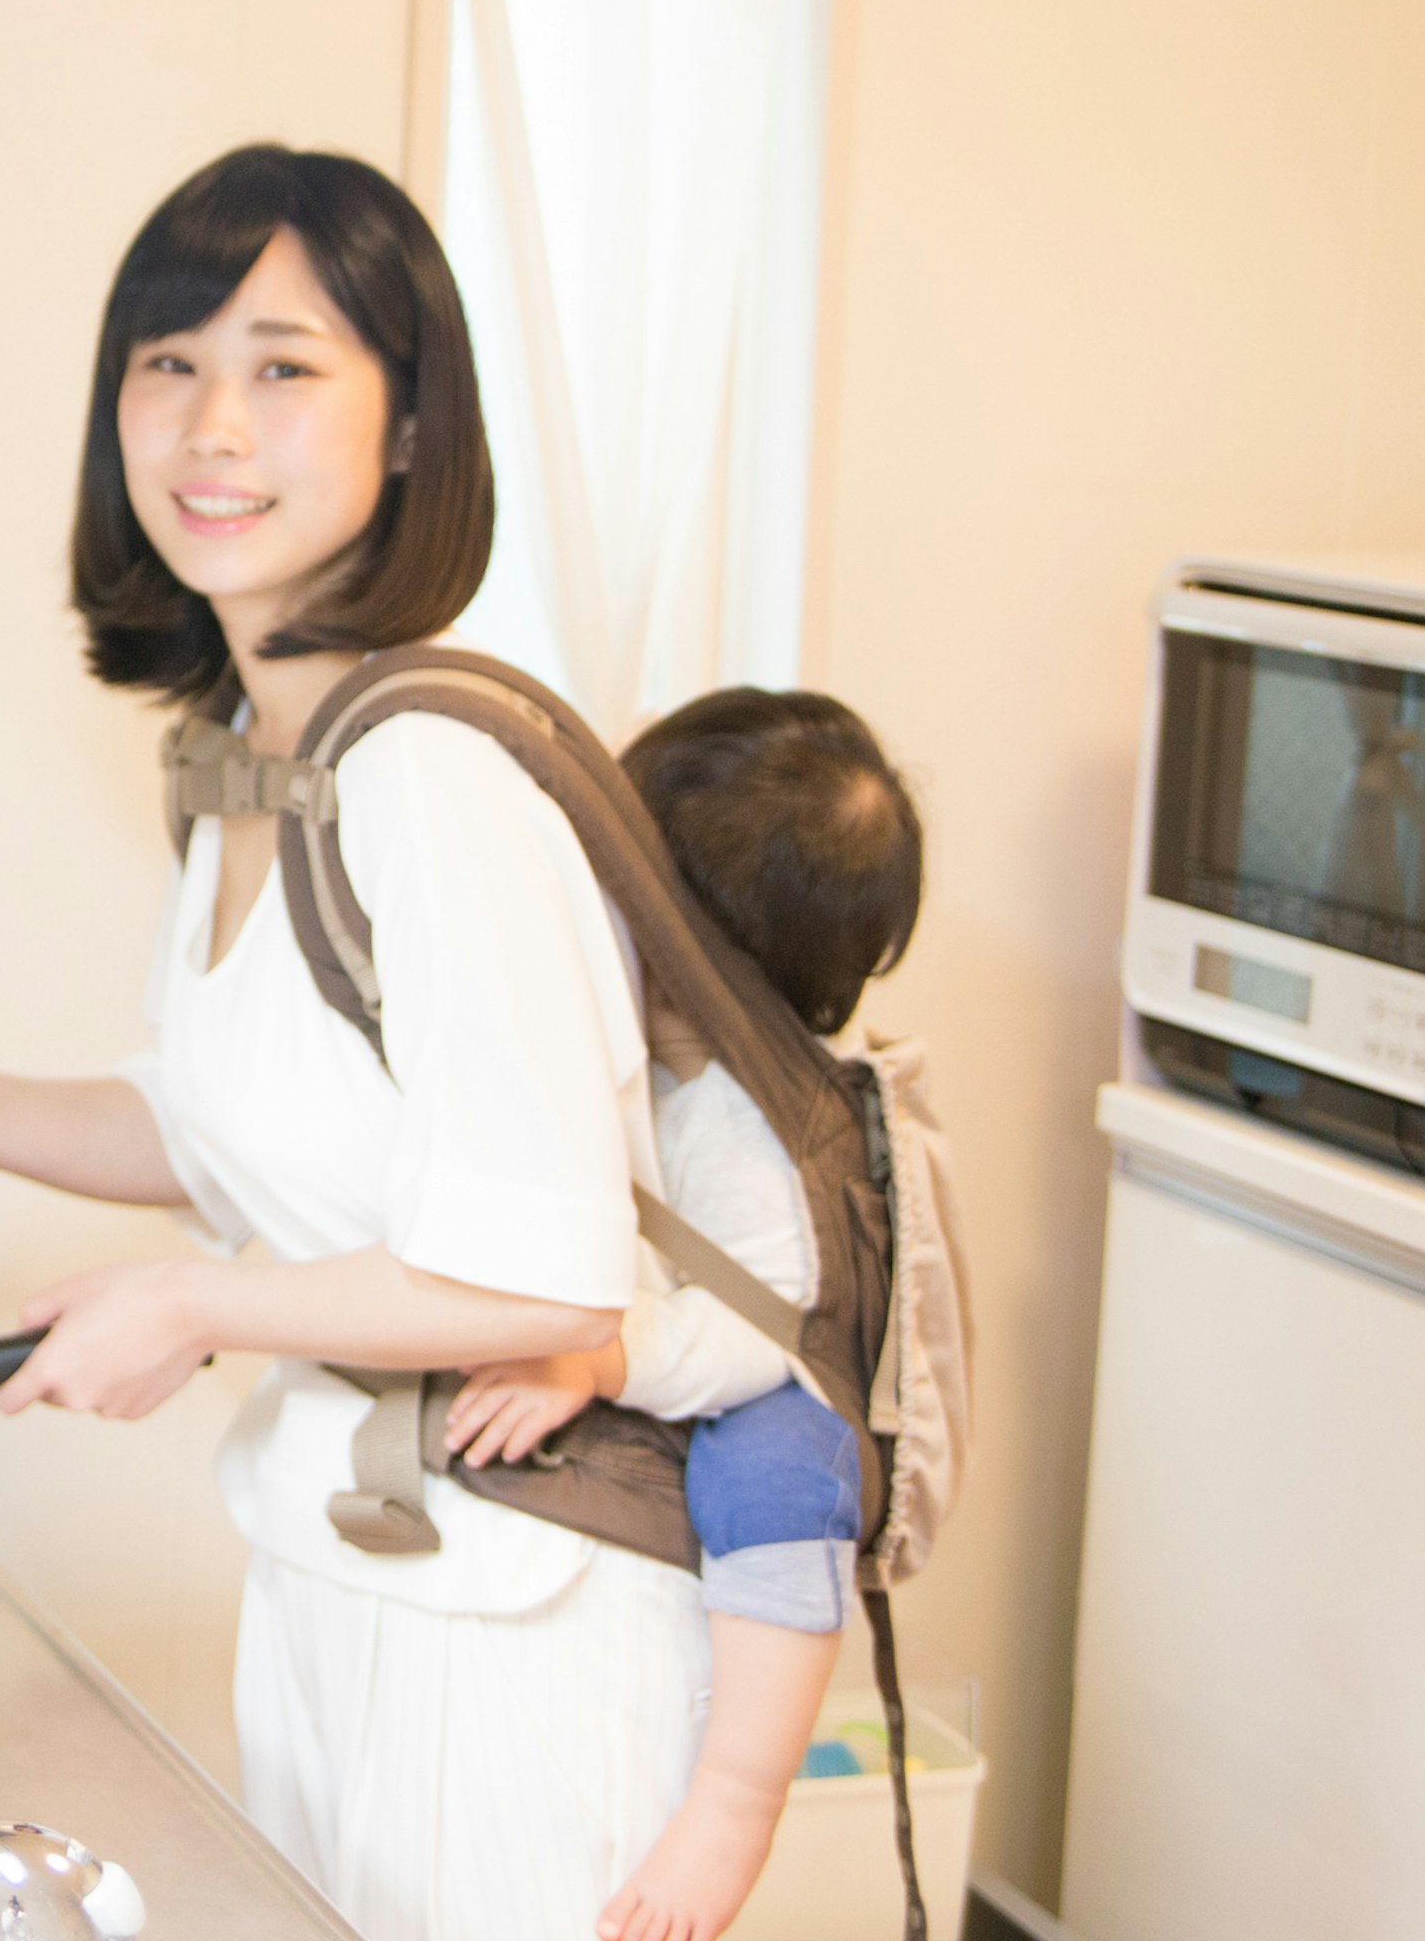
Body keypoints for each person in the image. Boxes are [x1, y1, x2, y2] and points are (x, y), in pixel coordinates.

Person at [0, 145, 705, 1941]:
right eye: (166, 362)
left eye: (285, 367)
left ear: (412, 426)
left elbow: (548, 1288)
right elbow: (225, 1129)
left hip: (519, 1635)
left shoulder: (432, 778)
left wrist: (189, 1308)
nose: (209, 426)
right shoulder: (253, 758)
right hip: (350, 1575)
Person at [440, 687, 925, 1941]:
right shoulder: (617, 1033)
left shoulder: (758, 1127)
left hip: (770, 1376)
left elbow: (755, 1328)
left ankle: (737, 1801)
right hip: (661, 1319)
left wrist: (598, 1360)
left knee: (779, 1476)